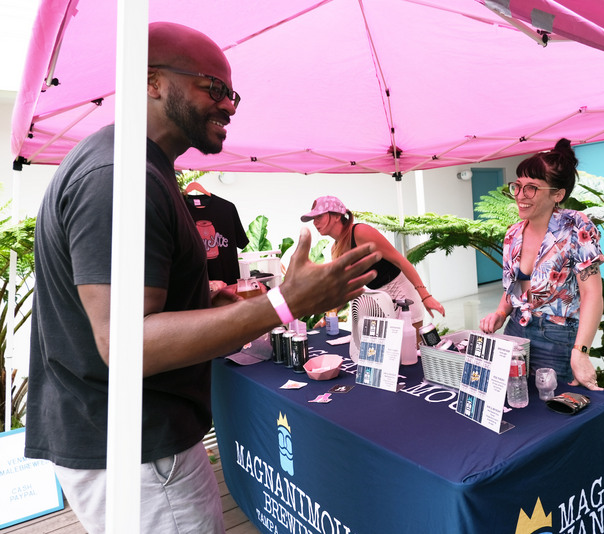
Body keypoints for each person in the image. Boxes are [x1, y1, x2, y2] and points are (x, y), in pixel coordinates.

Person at [24, 22, 380, 534]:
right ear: (151, 81)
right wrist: (285, 304)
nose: (230, 106)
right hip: (139, 453)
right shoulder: (119, 176)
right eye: (213, 87)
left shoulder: (140, 170)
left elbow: (144, 314)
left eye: (232, 93)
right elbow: (127, 343)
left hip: (138, 445)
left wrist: (216, 301)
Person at [478, 139, 604, 390]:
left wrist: (581, 352)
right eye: (518, 186)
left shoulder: (576, 226)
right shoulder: (513, 234)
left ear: (558, 194)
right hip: (516, 327)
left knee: (554, 406)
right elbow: (515, 286)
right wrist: (500, 314)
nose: (520, 195)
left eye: (532, 188)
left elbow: (593, 294)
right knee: (511, 398)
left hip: (555, 336)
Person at [301, 196, 445, 336]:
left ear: (337, 216)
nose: (315, 223)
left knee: (411, 356)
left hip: (403, 298)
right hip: (380, 305)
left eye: (319, 217)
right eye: (313, 219)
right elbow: (349, 289)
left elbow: (400, 260)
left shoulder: (360, 231)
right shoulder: (335, 248)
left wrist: (426, 297)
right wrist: (328, 317)